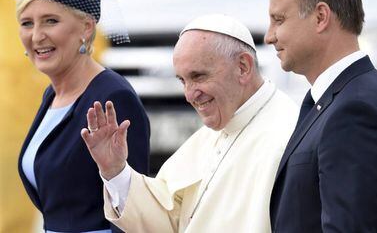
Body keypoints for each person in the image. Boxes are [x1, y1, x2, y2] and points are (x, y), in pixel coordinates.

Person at [81, 14, 299, 232]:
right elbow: (167, 222)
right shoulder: (210, 136)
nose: (189, 95)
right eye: (183, 81)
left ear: (243, 67)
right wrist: (115, 170)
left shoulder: (287, 137)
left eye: (199, 77)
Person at [265, 0, 377, 232]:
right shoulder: (342, 99)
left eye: (279, 20)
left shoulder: (355, 110)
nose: (269, 36)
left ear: (321, 17)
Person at [12, 0, 150, 232]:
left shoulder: (112, 97)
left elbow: (135, 208)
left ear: (87, 28)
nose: (37, 36)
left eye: (51, 21)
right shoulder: (52, 95)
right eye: (27, 23)